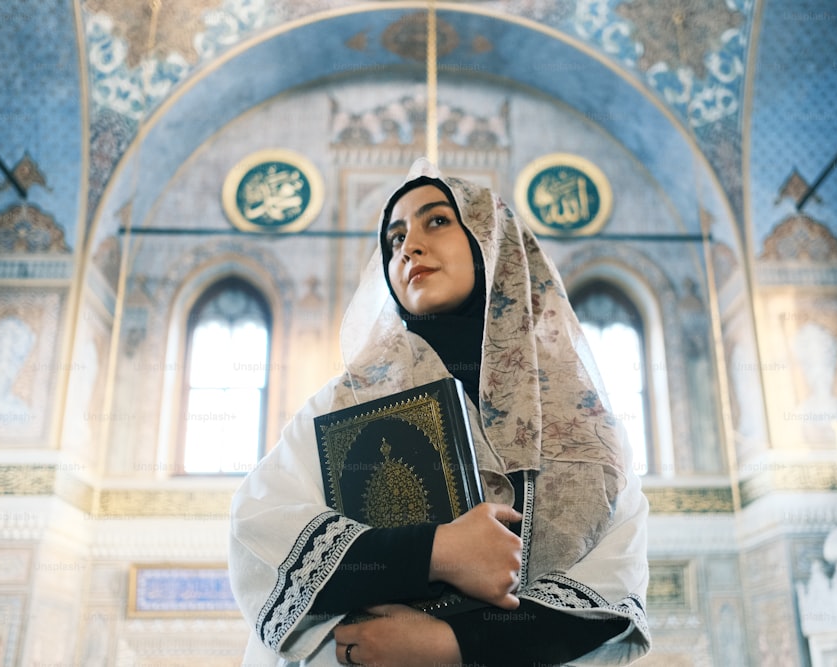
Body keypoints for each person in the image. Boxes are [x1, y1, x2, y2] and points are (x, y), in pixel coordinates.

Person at [229, 159, 651, 666]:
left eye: (436, 221)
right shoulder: (346, 401)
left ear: (488, 242)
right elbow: (261, 532)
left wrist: (450, 646)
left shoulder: (586, 425)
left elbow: (611, 590)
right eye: (394, 239)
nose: (409, 247)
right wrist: (438, 551)